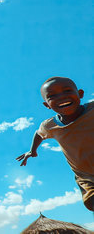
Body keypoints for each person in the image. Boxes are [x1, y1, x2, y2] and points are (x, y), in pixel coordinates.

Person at [16, 77, 93, 211]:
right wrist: (32, 151)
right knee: (91, 202)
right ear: (46, 104)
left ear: (80, 94)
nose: (61, 97)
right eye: (52, 96)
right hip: (86, 177)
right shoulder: (49, 125)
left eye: (67, 91)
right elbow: (39, 134)